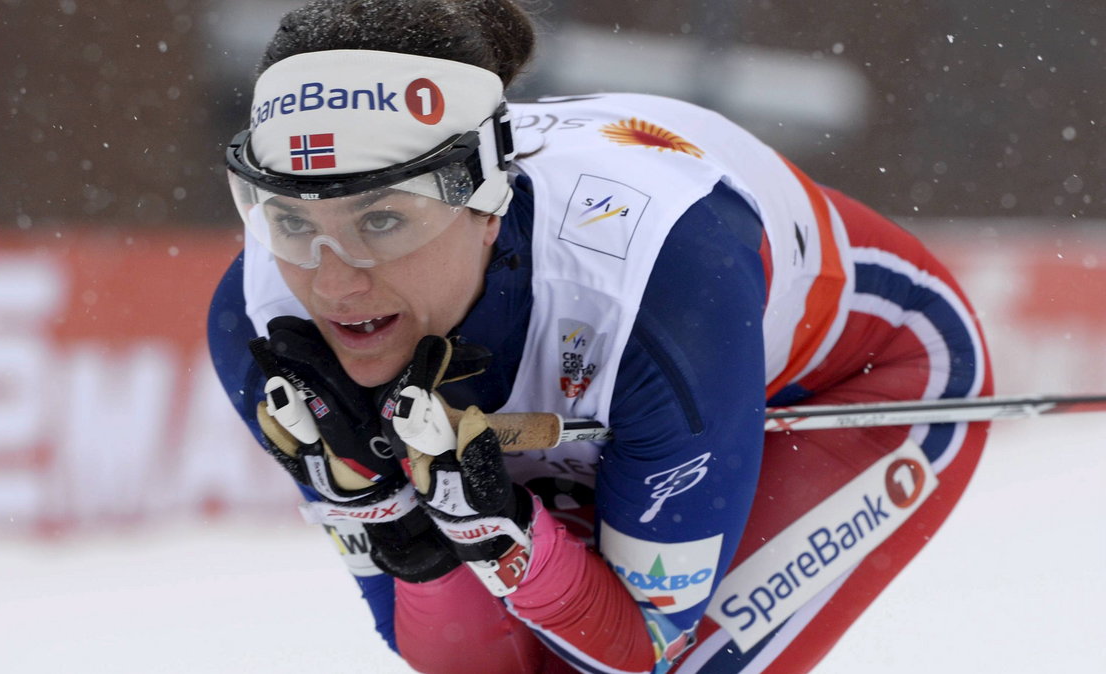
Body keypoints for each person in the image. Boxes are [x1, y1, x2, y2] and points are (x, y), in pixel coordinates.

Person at [207, 2, 993, 672]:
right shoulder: (260, 320)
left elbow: (641, 649)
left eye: (380, 219)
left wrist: (501, 535)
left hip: (863, 371)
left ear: (485, 205)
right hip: (629, 390)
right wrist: (396, 522)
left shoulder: (658, 284)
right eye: (290, 219)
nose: (334, 282)